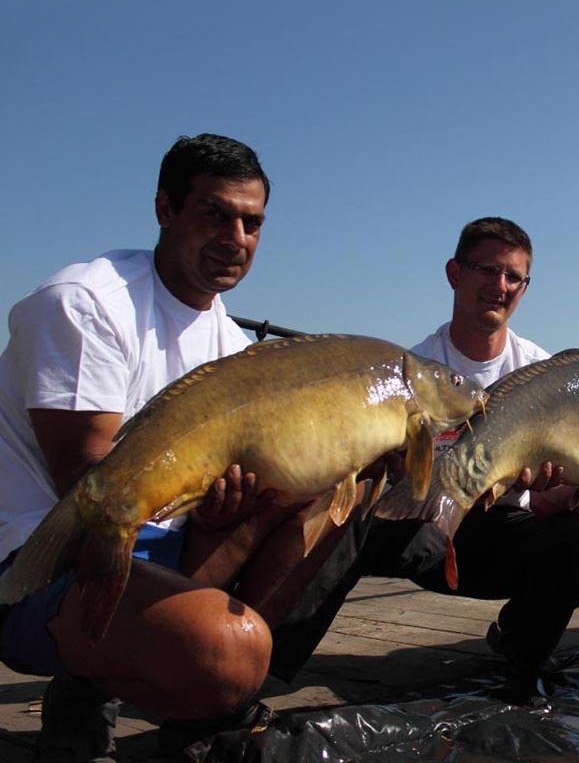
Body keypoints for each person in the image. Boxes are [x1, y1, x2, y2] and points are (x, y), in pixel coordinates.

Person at [0, 134, 346, 761]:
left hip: (153, 547)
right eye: (215, 214)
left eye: (251, 223)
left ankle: (191, 706)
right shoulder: (84, 304)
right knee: (229, 652)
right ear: (165, 209)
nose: (235, 237)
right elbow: (91, 493)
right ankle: (150, 676)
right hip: (36, 563)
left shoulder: (236, 349)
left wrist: (226, 508)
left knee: (332, 497)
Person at [271, 217, 579, 701]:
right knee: (348, 516)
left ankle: (520, 653)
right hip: (418, 526)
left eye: (513, 277)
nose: (500, 286)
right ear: (454, 273)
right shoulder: (412, 369)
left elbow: (549, 505)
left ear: (525, 286)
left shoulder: (544, 373)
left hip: (496, 533)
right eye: (487, 270)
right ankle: (266, 670)